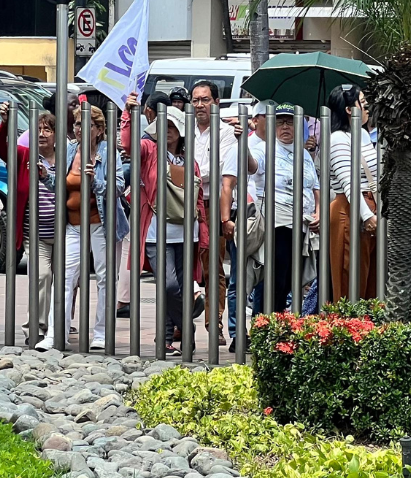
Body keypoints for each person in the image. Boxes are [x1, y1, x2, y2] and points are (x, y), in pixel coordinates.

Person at [122, 94, 210, 356]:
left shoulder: (190, 162)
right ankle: (188, 327)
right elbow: (128, 146)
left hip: (187, 234)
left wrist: (203, 231)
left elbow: (199, 202)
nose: (168, 131)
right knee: (169, 285)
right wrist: (129, 114)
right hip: (155, 233)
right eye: (165, 126)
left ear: (181, 132)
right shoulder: (149, 151)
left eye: (173, 127)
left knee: (180, 289)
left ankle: (166, 340)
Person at [41, 106, 128, 351]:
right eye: (78, 124)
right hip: (73, 225)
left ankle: (101, 333)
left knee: (104, 279)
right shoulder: (69, 150)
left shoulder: (109, 152)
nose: (79, 129)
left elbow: (119, 186)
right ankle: (56, 333)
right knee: (65, 278)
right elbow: (60, 184)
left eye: (86, 124)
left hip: (101, 224)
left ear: (99, 130)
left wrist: (97, 182)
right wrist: (45, 177)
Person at [190, 80, 256, 346]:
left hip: (214, 204)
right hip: (187, 204)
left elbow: (219, 170)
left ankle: (214, 322)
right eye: (195, 100)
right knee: (187, 264)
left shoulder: (227, 133)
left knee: (213, 267)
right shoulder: (185, 131)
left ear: (216, 102)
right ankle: (182, 325)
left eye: (205, 100)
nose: (200, 105)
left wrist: (193, 175)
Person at [0, 103, 58, 344]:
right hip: (35, 234)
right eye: (38, 129)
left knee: (65, 280)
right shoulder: (24, 156)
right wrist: (6, 122)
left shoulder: (68, 156)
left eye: (47, 129)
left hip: (65, 233)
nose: (41, 134)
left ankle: (59, 326)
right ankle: (36, 327)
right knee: (41, 276)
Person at [250, 103, 321, 314]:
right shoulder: (263, 148)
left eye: (290, 122)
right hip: (276, 223)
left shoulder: (304, 153)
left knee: (291, 279)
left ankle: (279, 326)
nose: (285, 127)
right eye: (280, 122)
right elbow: (252, 166)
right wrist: (241, 143)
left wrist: (318, 211)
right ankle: (264, 325)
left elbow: (315, 187)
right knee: (274, 278)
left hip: (301, 225)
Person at [326, 84, 380, 302]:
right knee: (350, 279)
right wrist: (366, 215)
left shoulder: (363, 135)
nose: (367, 107)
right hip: (350, 209)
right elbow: (349, 183)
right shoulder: (338, 138)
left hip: (370, 206)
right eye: (363, 101)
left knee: (370, 283)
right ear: (349, 109)